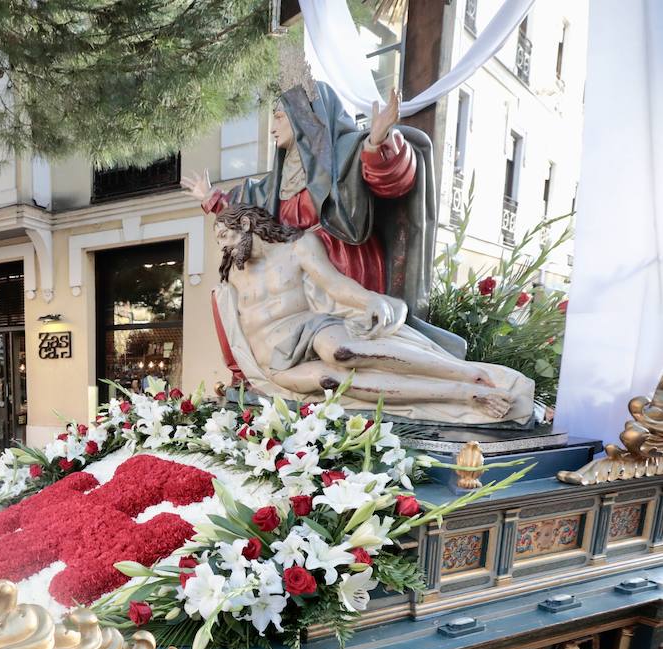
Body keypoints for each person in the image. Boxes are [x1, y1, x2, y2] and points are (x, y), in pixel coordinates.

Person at [183, 80, 463, 374]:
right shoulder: (274, 182)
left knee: (349, 353)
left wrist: (378, 143)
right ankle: (250, 377)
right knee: (227, 296)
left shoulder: (345, 152)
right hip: (293, 272)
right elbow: (244, 214)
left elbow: (394, 181)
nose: (272, 127)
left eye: (278, 116)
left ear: (304, 114)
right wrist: (211, 198)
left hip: (341, 263)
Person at [211, 203, 532, 422]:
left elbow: (335, 285)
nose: (222, 246)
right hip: (276, 364)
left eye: (224, 237)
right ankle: (463, 394)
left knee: (343, 352)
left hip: (310, 327)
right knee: (331, 380)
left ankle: (467, 373)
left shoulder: (298, 247)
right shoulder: (234, 274)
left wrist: (369, 302)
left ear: (246, 224)